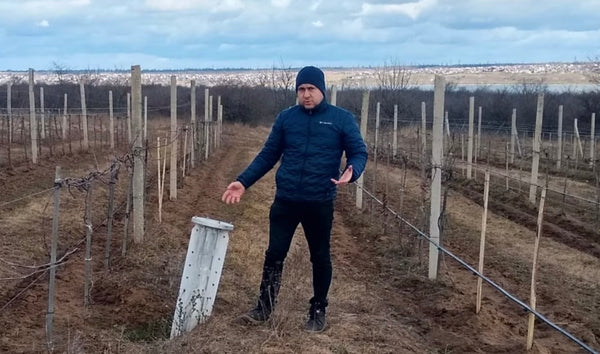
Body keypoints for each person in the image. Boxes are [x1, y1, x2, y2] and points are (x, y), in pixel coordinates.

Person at [221, 65, 367, 333]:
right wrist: (243, 182)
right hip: (286, 200)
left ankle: (318, 309)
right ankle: (264, 306)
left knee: (320, 256)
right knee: (275, 253)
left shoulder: (341, 119)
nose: (306, 94)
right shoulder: (287, 119)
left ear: (321, 90)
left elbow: (359, 152)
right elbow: (268, 155)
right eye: (301, 89)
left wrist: (352, 171)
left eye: (311, 89)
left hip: (319, 201)